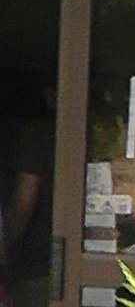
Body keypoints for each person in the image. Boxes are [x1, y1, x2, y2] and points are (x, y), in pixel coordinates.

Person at [2, 78, 55, 307]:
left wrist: (4, 251)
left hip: (38, 268)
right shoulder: (103, 132)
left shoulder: (40, 134)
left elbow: (23, 204)